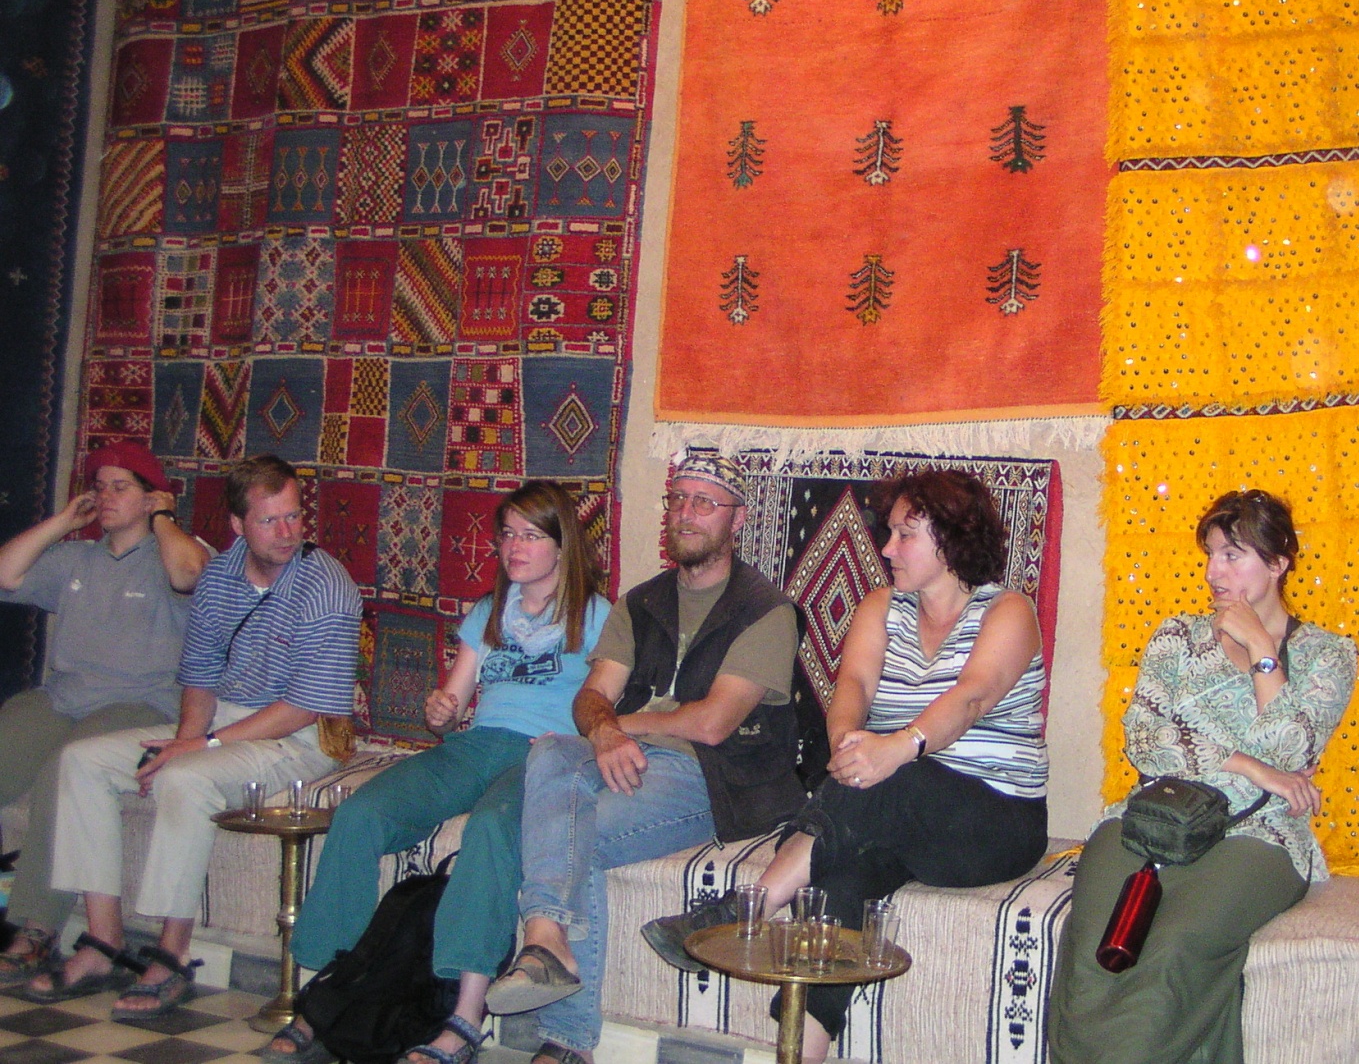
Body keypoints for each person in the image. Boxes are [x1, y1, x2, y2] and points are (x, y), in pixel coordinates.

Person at [643, 467, 1051, 1064]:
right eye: (888, 533)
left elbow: (972, 698)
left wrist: (898, 747)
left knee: (899, 780)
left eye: (905, 535)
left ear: (951, 540)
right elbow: (852, 685)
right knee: (838, 881)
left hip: (994, 822)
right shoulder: (882, 607)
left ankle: (749, 905)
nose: (886, 549)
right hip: (898, 816)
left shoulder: (1008, 611)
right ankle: (800, 1053)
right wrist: (847, 743)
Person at [263, 481, 609, 1064]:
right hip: (478, 745)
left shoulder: (596, 616)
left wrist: (577, 745)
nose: (514, 547)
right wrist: (441, 712)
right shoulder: (489, 610)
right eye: (507, 535)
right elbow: (453, 702)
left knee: (491, 831)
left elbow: (606, 703)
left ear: (562, 544)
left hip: (546, 757)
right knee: (361, 813)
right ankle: (325, 995)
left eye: (530, 536)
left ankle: (464, 1019)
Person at [480, 451, 804, 1064]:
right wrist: (602, 731)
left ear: (737, 520)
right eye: (678, 499)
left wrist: (616, 727)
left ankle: (566, 1038)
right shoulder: (641, 602)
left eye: (704, 502)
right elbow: (589, 697)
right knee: (550, 750)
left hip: (718, 777)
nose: (685, 513)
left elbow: (712, 724)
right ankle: (546, 939)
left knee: (575, 831)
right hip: (631, 757)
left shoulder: (767, 611)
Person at [28, 454, 362, 1019]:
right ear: (237, 525)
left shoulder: (327, 587)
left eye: (294, 516)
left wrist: (200, 748)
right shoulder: (220, 576)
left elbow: (303, 708)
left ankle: (171, 955)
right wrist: (186, 738)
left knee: (185, 778)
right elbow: (200, 675)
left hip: (295, 739)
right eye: (269, 521)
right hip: (219, 723)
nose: (287, 532)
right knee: (81, 760)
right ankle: (103, 940)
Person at [1046, 489, 1357, 1064]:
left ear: (1278, 562)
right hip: (1152, 816)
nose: (1214, 572)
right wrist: (1254, 767)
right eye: (1211, 555)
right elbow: (1145, 738)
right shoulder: (1177, 637)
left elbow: (1295, 744)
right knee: (1095, 952)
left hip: (1259, 834)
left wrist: (1262, 648)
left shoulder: (1327, 655)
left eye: (1232, 555)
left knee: (1173, 948)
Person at [0, 442, 212, 987]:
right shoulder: (77, 558)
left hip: (138, 704)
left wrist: (163, 520)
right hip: (63, 697)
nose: (106, 496)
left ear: (152, 497)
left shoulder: (174, 552)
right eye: (100, 486)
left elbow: (190, 575)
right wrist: (62, 522)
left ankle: (35, 930)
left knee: (67, 767)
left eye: (122, 486)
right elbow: (5, 574)